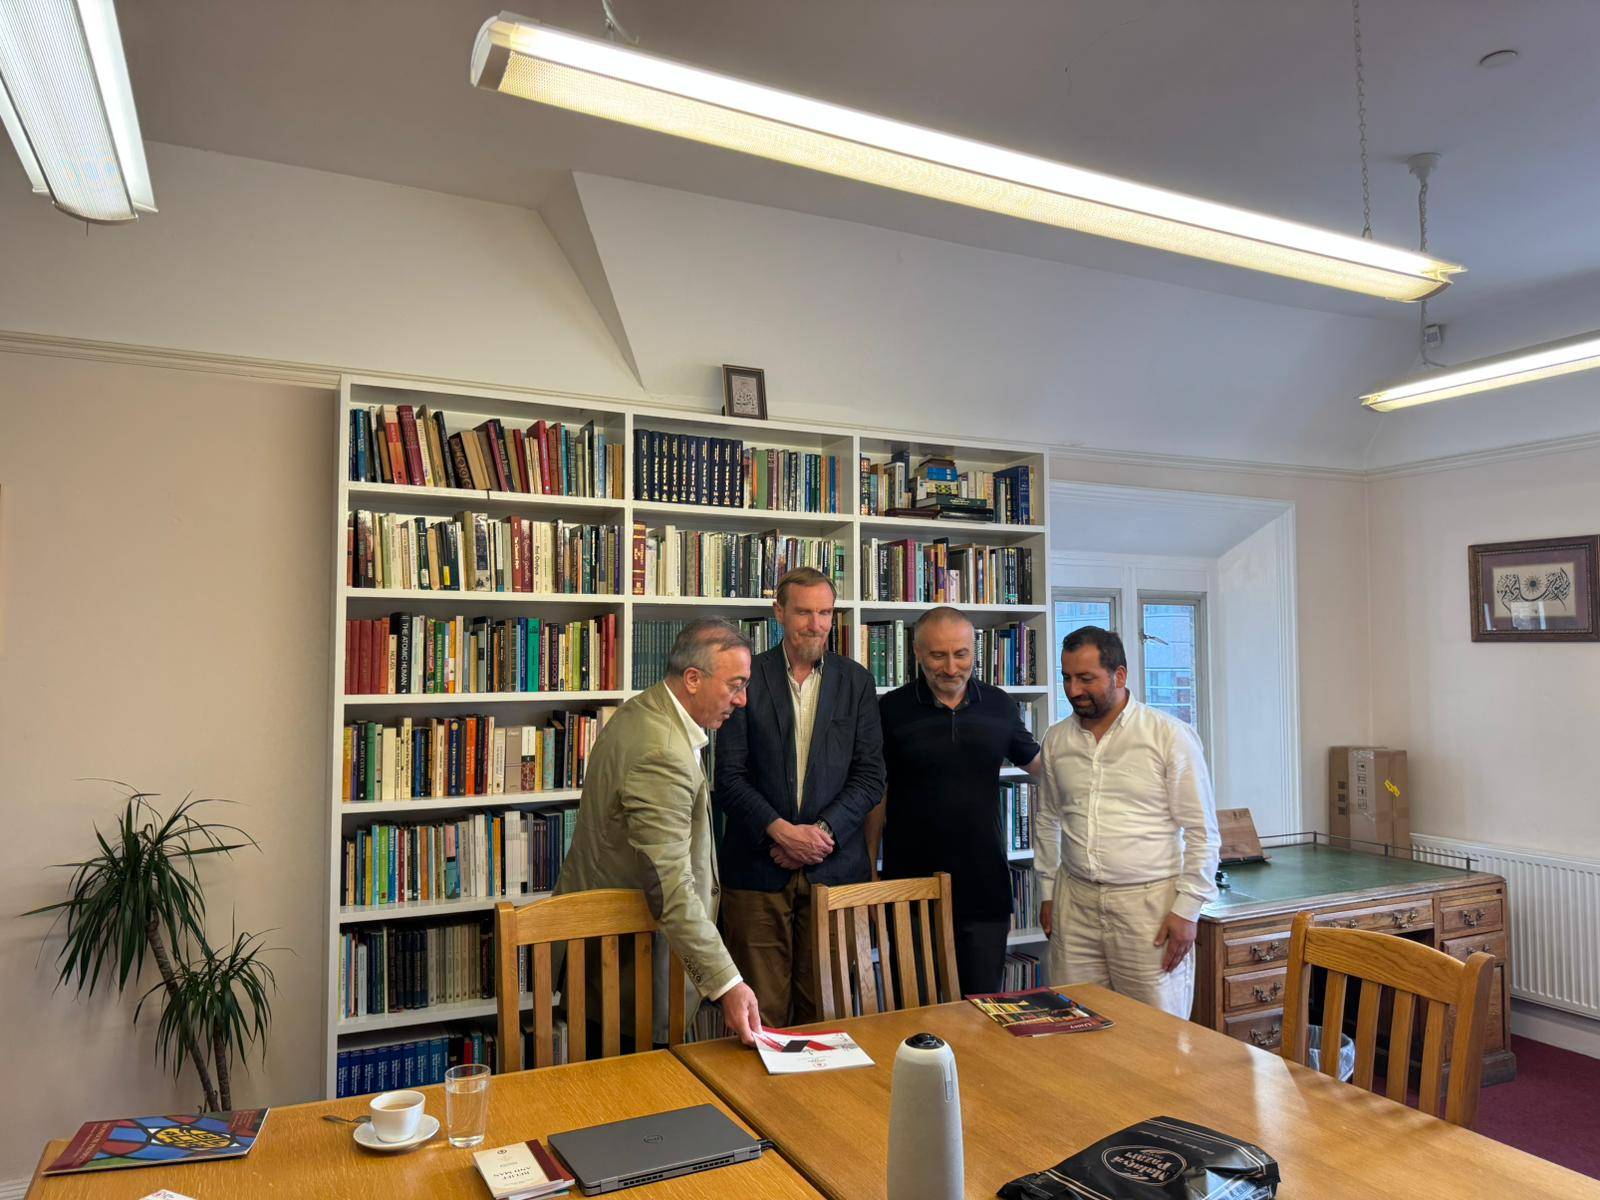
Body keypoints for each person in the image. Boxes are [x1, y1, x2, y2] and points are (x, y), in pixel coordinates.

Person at [555, 618, 763, 1046]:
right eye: (735, 685)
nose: (742, 700)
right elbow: (669, 885)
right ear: (693, 679)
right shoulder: (661, 750)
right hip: (627, 972)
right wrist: (726, 983)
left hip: (608, 958)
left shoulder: (643, 709)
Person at [714, 567, 885, 1026]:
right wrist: (781, 832)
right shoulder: (747, 676)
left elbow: (871, 777)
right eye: (804, 612)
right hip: (756, 870)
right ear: (779, 613)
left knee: (829, 1014)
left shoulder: (856, 682)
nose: (816, 624)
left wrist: (818, 835)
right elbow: (728, 777)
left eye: (825, 613)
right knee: (760, 1018)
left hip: (835, 869)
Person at [1033, 626, 1219, 1019]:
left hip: (1148, 908)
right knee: (1074, 1025)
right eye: (1067, 677)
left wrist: (1187, 911)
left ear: (1119, 675)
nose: (1073, 690)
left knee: (1156, 1031)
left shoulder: (1169, 736)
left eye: (1086, 678)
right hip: (1075, 905)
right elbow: (1047, 818)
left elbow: (1202, 832)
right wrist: (1047, 892)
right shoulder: (1056, 739)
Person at [870, 606, 1041, 996]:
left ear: (974, 651)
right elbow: (876, 792)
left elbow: (1041, 767)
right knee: (916, 1010)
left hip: (985, 889)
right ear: (917, 653)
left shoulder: (999, 705)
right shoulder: (891, 709)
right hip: (910, 889)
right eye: (938, 655)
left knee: (982, 1010)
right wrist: (869, 867)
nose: (951, 667)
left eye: (961, 654)